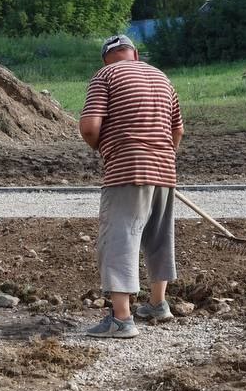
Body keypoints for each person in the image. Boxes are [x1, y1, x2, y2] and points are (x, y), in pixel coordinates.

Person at [78, 34, 185, 339]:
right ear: (134, 54)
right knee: (158, 236)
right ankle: (157, 304)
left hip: (128, 168)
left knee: (119, 238)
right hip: (165, 167)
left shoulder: (105, 75)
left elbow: (89, 127)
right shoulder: (162, 77)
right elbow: (178, 129)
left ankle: (121, 319)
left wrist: (103, 147)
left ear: (105, 58)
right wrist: (161, 155)